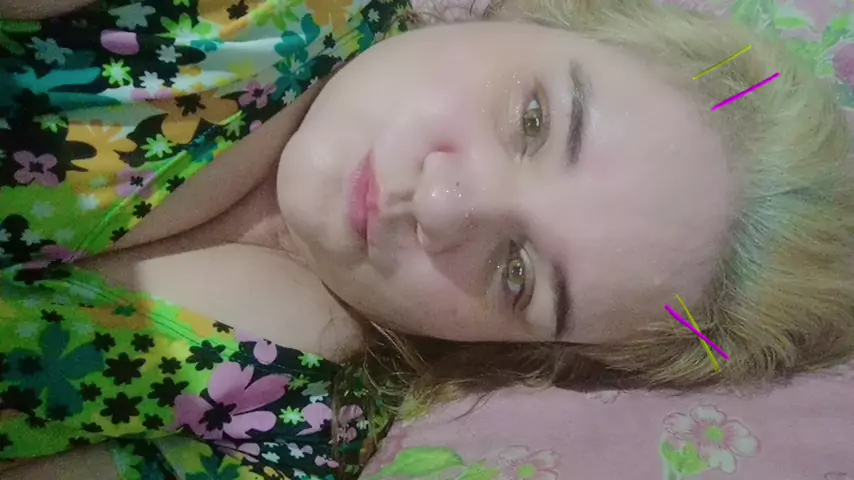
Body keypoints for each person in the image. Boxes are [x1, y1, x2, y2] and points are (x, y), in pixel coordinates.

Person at [2, 0, 854, 477]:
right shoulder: (255, 13)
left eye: (518, 275)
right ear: (547, 16)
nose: (443, 205)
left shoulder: (295, 425)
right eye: (533, 121)